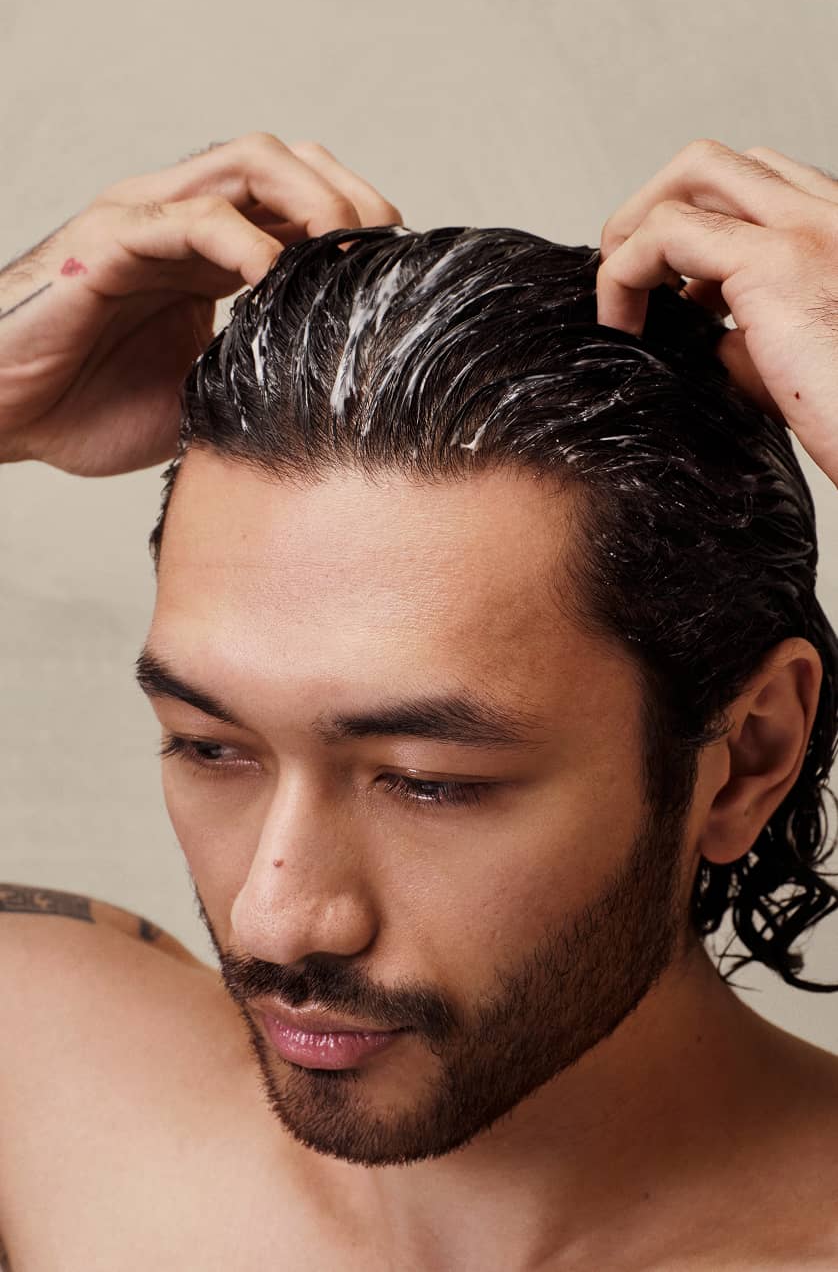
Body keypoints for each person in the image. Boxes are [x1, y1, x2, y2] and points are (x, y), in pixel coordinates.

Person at [1, 134, 838, 1270]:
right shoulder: (49, 1086)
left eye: (431, 781)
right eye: (208, 747)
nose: (275, 921)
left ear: (747, 755)